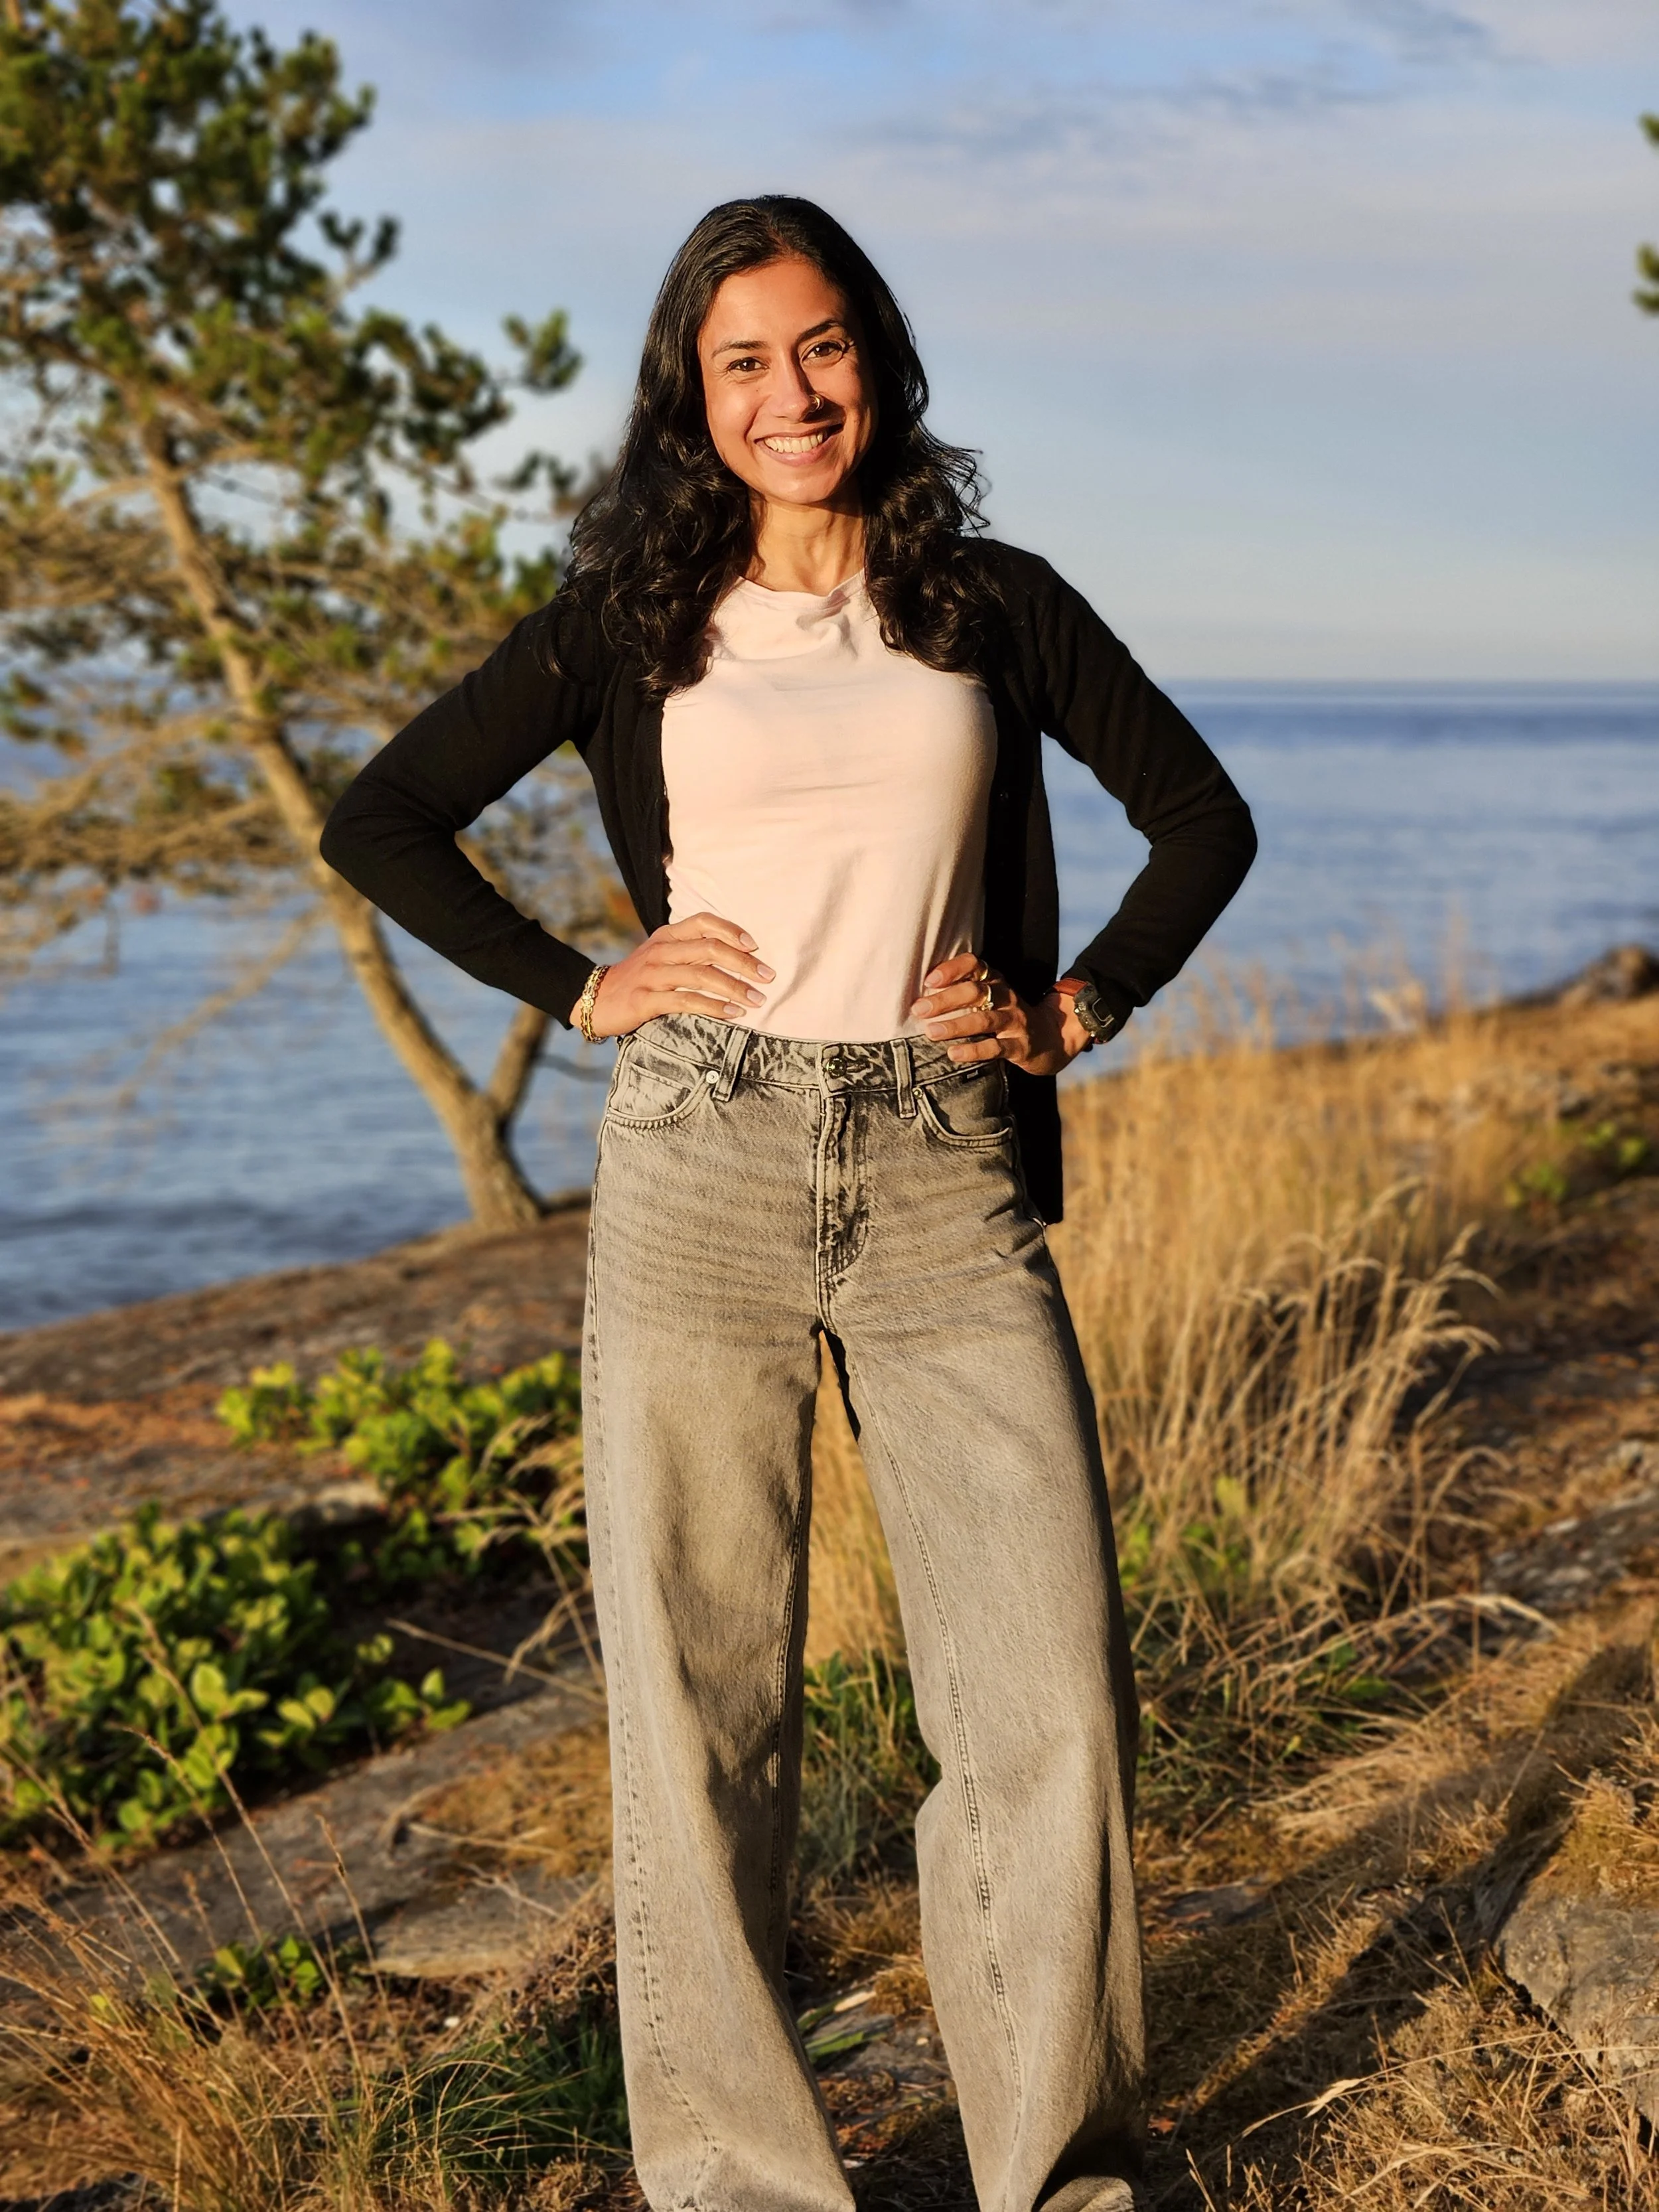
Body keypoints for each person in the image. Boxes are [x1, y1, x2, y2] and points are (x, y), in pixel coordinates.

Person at [321, 195, 1256, 2212]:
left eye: (818, 346)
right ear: (693, 392)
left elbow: (1201, 815)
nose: (789, 392)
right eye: (741, 361)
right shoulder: (627, 619)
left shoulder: (985, 602)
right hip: (702, 1158)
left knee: (1042, 1696)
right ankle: (744, 2182)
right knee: (700, 1707)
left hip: (938, 1165)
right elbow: (377, 813)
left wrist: (1072, 1001)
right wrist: (585, 983)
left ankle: (1059, 2172)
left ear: (876, 357)